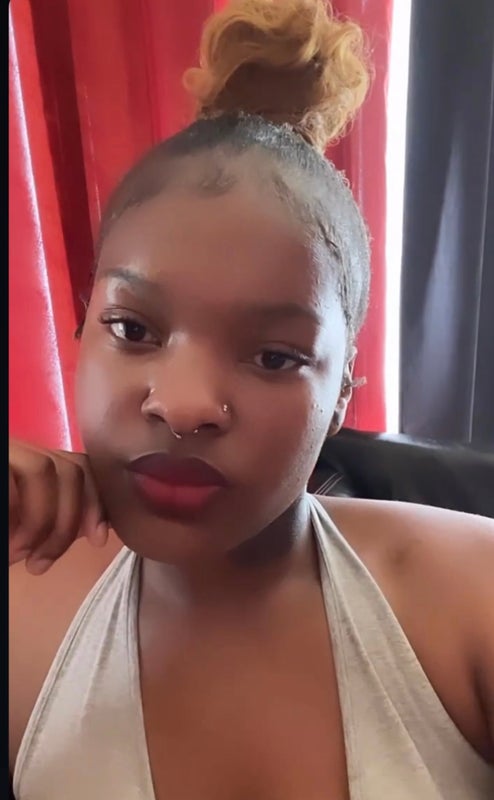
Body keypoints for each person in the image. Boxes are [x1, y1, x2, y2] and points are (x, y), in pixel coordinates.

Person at [8, 0, 494, 798]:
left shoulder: (472, 602)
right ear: (80, 333)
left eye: (273, 356)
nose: (185, 406)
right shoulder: (20, 605)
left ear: (341, 396)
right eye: (133, 329)